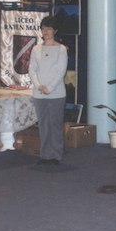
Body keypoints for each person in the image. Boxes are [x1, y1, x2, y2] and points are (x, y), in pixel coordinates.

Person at [29, 16, 68, 165]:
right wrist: (39, 85)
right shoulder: (36, 49)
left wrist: (49, 88)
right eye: (43, 28)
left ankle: (56, 155)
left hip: (56, 93)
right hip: (39, 93)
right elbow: (32, 69)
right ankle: (45, 155)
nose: (46, 31)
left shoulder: (61, 49)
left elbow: (60, 71)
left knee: (55, 125)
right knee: (43, 125)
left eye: (49, 28)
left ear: (55, 31)